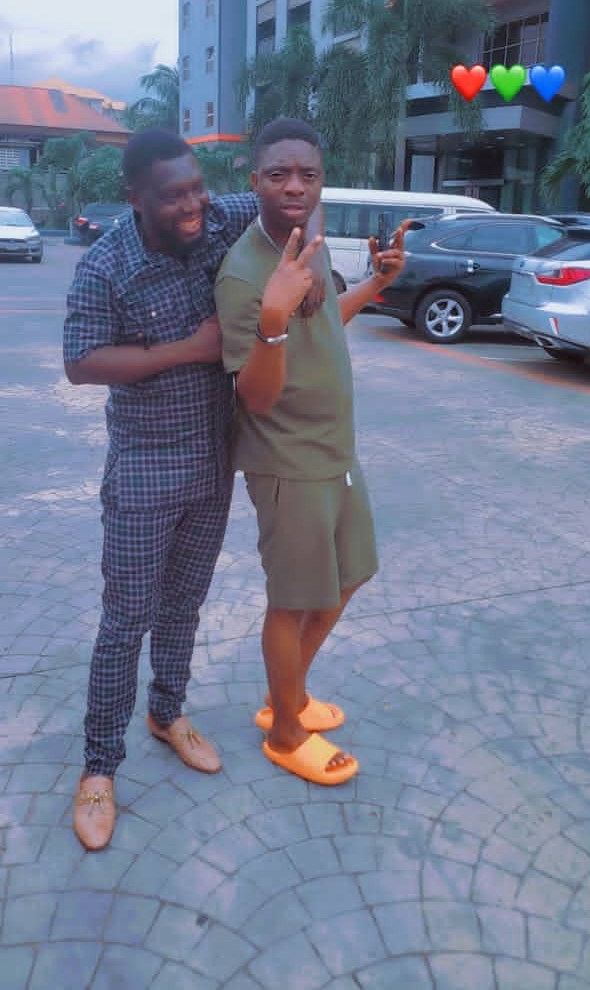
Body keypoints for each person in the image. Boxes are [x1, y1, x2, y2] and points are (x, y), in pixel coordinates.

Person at [63, 129, 324, 850]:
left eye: (197, 188)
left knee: (184, 605)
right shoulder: (106, 266)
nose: (192, 205)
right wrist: (188, 349)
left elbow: (296, 200)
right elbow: (80, 362)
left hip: (214, 461)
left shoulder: (217, 217)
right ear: (135, 198)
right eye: (173, 195)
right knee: (126, 621)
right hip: (144, 467)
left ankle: (167, 712)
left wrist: (308, 270)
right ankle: (99, 767)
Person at [215, 117, 409, 785]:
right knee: (293, 600)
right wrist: (272, 321)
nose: (294, 186)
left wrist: (376, 284)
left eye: (308, 175)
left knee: (350, 574)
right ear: (255, 182)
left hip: (335, 451)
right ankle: (285, 730)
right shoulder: (245, 274)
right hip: (286, 461)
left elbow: (325, 321)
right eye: (279, 175)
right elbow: (255, 397)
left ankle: (288, 695)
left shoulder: (310, 245)